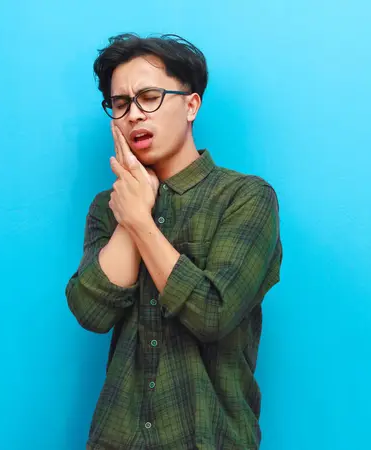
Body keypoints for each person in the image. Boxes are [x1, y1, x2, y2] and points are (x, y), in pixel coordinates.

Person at [65, 33, 283, 450]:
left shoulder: (246, 197)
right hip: (115, 438)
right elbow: (91, 312)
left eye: (149, 96)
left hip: (209, 439)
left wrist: (140, 220)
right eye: (121, 103)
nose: (133, 115)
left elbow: (212, 314)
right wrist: (129, 212)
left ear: (191, 105)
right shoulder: (107, 207)